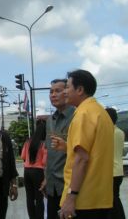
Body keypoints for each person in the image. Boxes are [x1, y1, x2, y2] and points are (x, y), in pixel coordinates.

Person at [52, 69, 114, 219]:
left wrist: (71, 197)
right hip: (99, 197)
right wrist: (68, 147)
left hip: (83, 200)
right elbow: (93, 153)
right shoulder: (100, 112)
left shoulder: (83, 114)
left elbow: (82, 159)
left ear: (80, 90)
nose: (64, 91)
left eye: (67, 87)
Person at [40, 79, 74, 219]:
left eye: (57, 91)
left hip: (69, 186)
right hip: (52, 186)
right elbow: (50, 152)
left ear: (67, 92)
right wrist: (46, 178)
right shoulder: (50, 121)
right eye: (51, 92)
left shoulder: (77, 117)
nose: (53, 95)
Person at [21, 120, 47, 219]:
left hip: (27, 171)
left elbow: (23, 156)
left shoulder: (28, 141)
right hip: (38, 172)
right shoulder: (44, 143)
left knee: (29, 198)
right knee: (39, 198)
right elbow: (44, 162)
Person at [105, 107, 126, 219]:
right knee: (115, 197)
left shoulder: (106, 133)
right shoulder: (120, 132)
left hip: (110, 172)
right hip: (119, 171)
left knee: (111, 200)